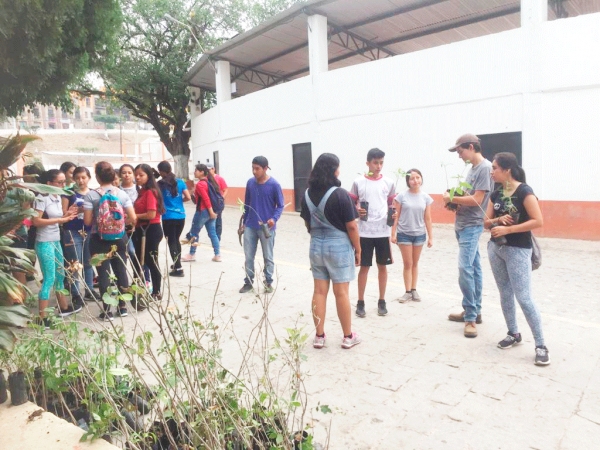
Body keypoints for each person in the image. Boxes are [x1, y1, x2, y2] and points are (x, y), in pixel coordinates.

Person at [484, 152, 550, 365]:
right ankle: (513, 332)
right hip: (496, 249)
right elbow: (486, 222)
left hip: (518, 250)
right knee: (504, 293)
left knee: (523, 297)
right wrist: (497, 220)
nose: (492, 171)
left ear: (507, 170)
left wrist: (509, 229)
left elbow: (538, 221)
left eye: (494, 167)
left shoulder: (524, 191)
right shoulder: (496, 194)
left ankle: (540, 344)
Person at [300, 153, 362, 349]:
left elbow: (307, 221)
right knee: (341, 292)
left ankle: (319, 336)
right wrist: (358, 250)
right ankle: (348, 336)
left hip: (316, 245)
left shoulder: (307, 194)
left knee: (319, 291)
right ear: (333, 169)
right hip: (339, 247)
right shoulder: (340, 194)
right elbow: (352, 226)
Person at [443, 134, 493, 338]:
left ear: (471, 147)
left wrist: (452, 197)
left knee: (465, 268)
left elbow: (479, 199)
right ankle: (474, 310)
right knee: (474, 267)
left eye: (460, 151)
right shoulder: (473, 169)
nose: (459, 156)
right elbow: (469, 197)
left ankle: (471, 317)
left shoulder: (484, 168)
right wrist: (454, 202)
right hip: (463, 223)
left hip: (472, 226)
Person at [84, 162, 136, 321]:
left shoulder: (91, 196)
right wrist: (119, 224)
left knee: (104, 273)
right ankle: (122, 307)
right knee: (121, 270)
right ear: (114, 176)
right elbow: (133, 218)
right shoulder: (121, 194)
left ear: (97, 176)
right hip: (120, 238)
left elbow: (87, 222)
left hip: (98, 239)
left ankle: (107, 311)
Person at [349, 148, 396, 317]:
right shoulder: (359, 182)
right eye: (375, 162)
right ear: (367, 163)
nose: (378, 166)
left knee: (382, 267)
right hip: (364, 233)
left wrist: (393, 214)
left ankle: (382, 300)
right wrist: (357, 211)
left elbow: (392, 204)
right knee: (364, 267)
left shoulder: (389, 183)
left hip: (383, 232)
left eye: (381, 162)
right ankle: (360, 302)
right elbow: (352, 204)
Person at [32, 169, 81, 327]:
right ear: (49, 184)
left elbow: (58, 218)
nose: (63, 185)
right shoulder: (41, 198)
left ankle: (64, 307)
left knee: (61, 275)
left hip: (56, 240)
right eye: (59, 182)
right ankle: (42, 317)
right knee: (49, 278)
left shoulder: (58, 197)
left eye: (63, 182)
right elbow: (36, 221)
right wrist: (61, 218)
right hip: (44, 241)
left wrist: (68, 215)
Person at [238, 156, 284, 294]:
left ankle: (268, 282)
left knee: (268, 256)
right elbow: (247, 204)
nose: (254, 171)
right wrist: (244, 223)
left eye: (257, 168)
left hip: (267, 228)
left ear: (265, 168)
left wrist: (274, 219)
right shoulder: (250, 183)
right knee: (248, 256)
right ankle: (248, 282)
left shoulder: (274, 185)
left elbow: (280, 206)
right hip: (250, 226)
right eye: (253, 168)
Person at [391, 169, 433, 303]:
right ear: (408, 181)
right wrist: (393, 233)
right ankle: (407, 291)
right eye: (412, 178)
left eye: (418, 177)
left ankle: (414, 290)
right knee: (407, 263)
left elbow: (427, 218)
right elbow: (395, 216)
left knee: (415, 263)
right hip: (404, 234)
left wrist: (430, 236)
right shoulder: (401, 197)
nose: (415, 181)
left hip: (419, 234)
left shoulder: (426, 197)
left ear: (421, 179)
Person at [61, 167, 96, 306]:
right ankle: (75, 293)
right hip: (72, 231)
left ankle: (90, 290)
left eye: (83, 177)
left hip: (89, 231)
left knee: (88, 262)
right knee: (74, 264)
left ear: (89, 178)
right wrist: (76, 210)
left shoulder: (93, 193)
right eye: (78, 178)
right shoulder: (68, 193)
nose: (81, 180)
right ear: (73, 179)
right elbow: (63, 214)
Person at [132, 164, 165, 302]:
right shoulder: (142, 191)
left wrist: (134, 216)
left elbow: (151, 214)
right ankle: (142, 288)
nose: (137, 177)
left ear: (148, 176)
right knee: (141, 261)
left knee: (151, 262)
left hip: (150, 230)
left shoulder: (151, 192)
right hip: (142, 230)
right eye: (137, 174)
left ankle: (156, 292)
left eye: (141, 175)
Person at [181, 164, 221, 263]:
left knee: (194, 232)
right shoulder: (210, 182)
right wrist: (213, 212)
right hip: (212, 211)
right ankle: (217, 255)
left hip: (203, 211)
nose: (194, 172)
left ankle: (192, 254)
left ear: (202, 172)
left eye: (196, 170)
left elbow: (206, 199)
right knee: (213, 233)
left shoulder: (200, 184)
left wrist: (211, 212)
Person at [157, 161, 191, 277]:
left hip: (168, 217)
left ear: (161, 171)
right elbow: (188, 197)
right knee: (176, 240)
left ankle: (178, 268)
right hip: (181, 216)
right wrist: (179, 203)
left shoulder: (160, 184)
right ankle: (177, 263)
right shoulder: (180, 182)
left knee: (171, 241)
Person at [207, 163, 228, 241]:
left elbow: (225, 189)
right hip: (209, 203)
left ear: (213, 169)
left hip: (218, 204)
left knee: (218, 221)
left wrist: (221, 199)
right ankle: (212, 237)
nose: (208, 171)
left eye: (209, 169)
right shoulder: (206, 179)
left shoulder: (219, 179)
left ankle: (217, 238)